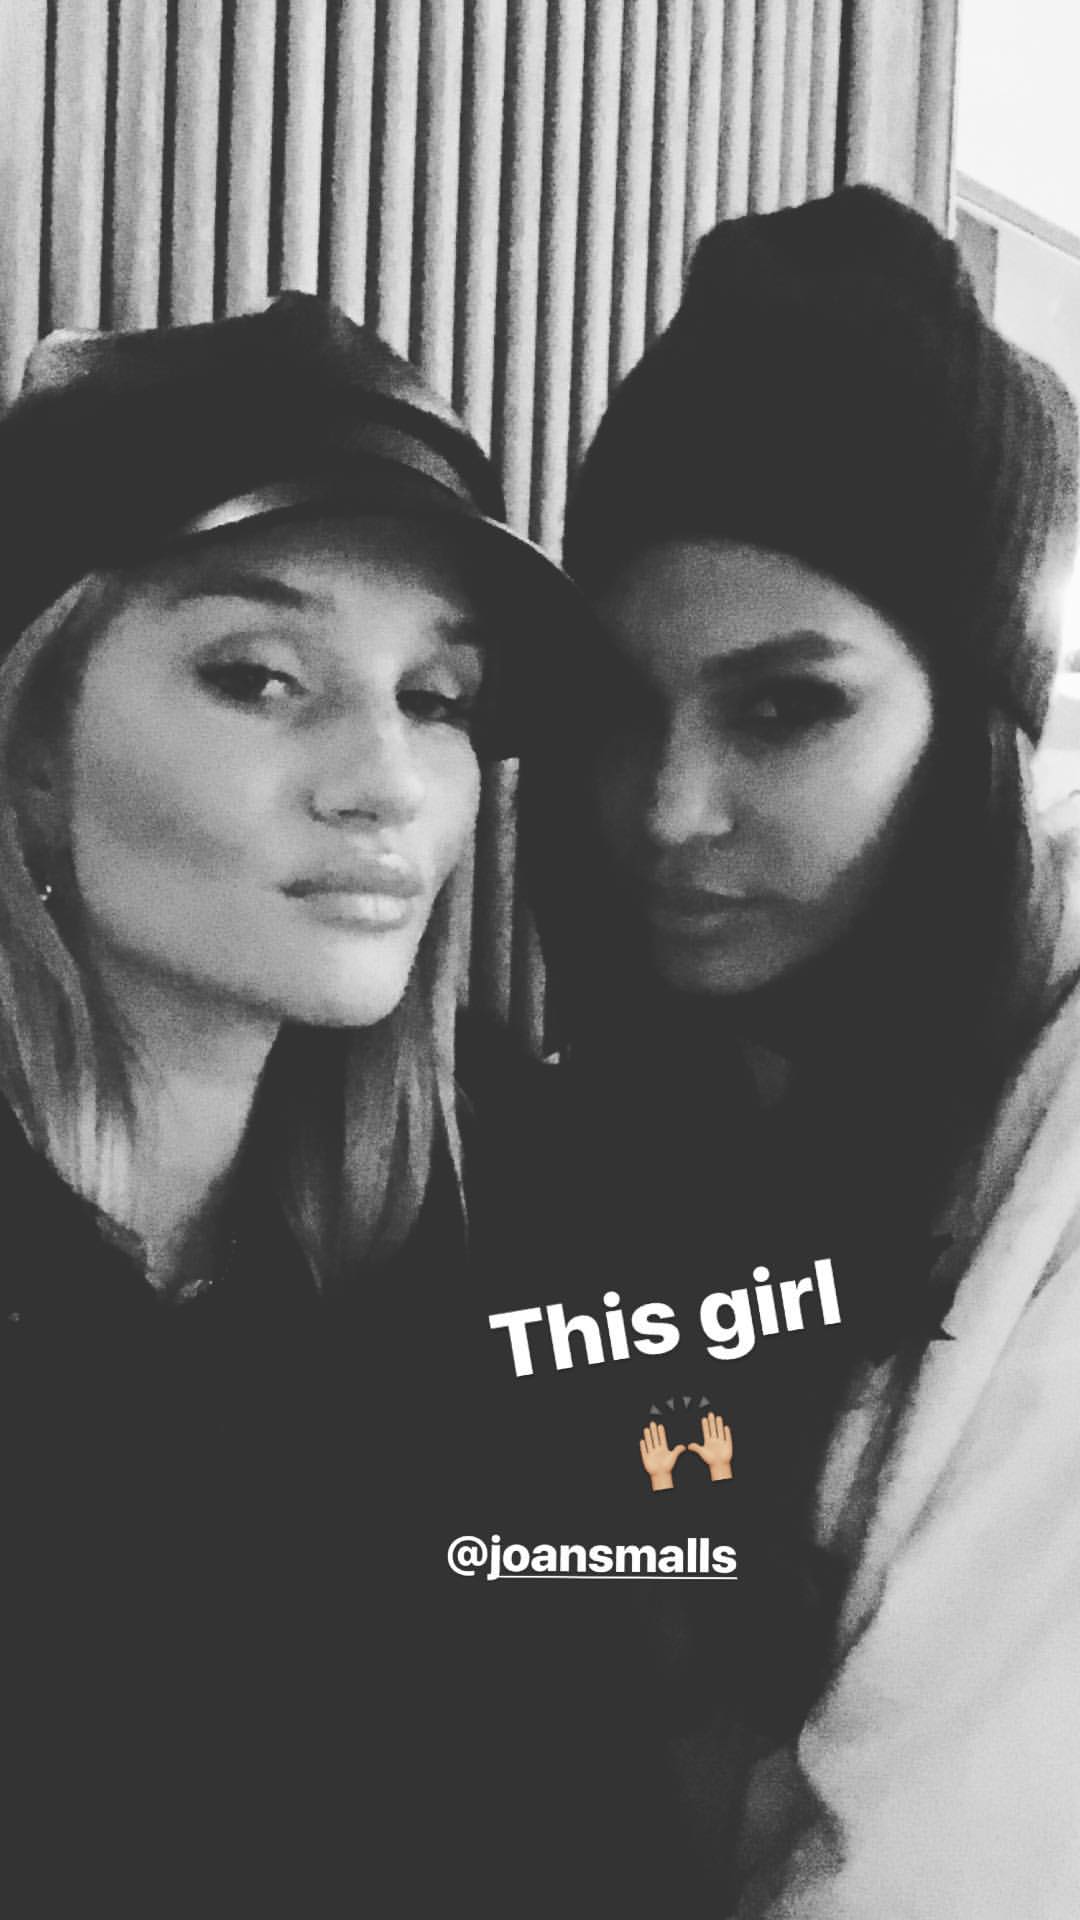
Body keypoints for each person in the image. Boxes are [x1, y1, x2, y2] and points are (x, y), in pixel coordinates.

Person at [514, 186, 1080, 1915]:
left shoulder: (1048, 1175)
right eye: (621, 709)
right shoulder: (588, 1129)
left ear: (977, 726)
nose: (667, 811)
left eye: (786, 708)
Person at [0, 291, 588, 1910]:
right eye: (261, 676)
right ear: (37, 748)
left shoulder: (500, 1205)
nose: (385, 780)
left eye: (438, 696)